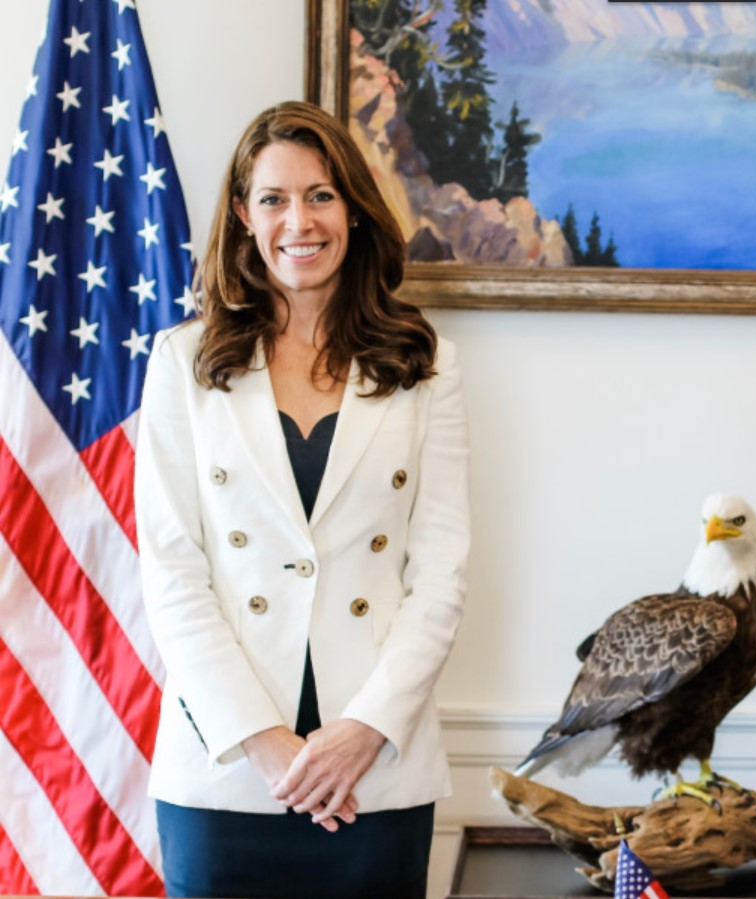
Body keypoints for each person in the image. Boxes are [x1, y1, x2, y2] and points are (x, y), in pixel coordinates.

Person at [135, 101, 470, 899]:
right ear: (245, 218)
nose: (300, 220)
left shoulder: (427, 366)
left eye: (320, 195)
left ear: (353, 209)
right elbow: (172, 571)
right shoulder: (184, 363)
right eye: (275, 198)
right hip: (227, 771)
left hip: (375, 770)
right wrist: (267, 746)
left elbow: (444, 574)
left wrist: (362, 732)